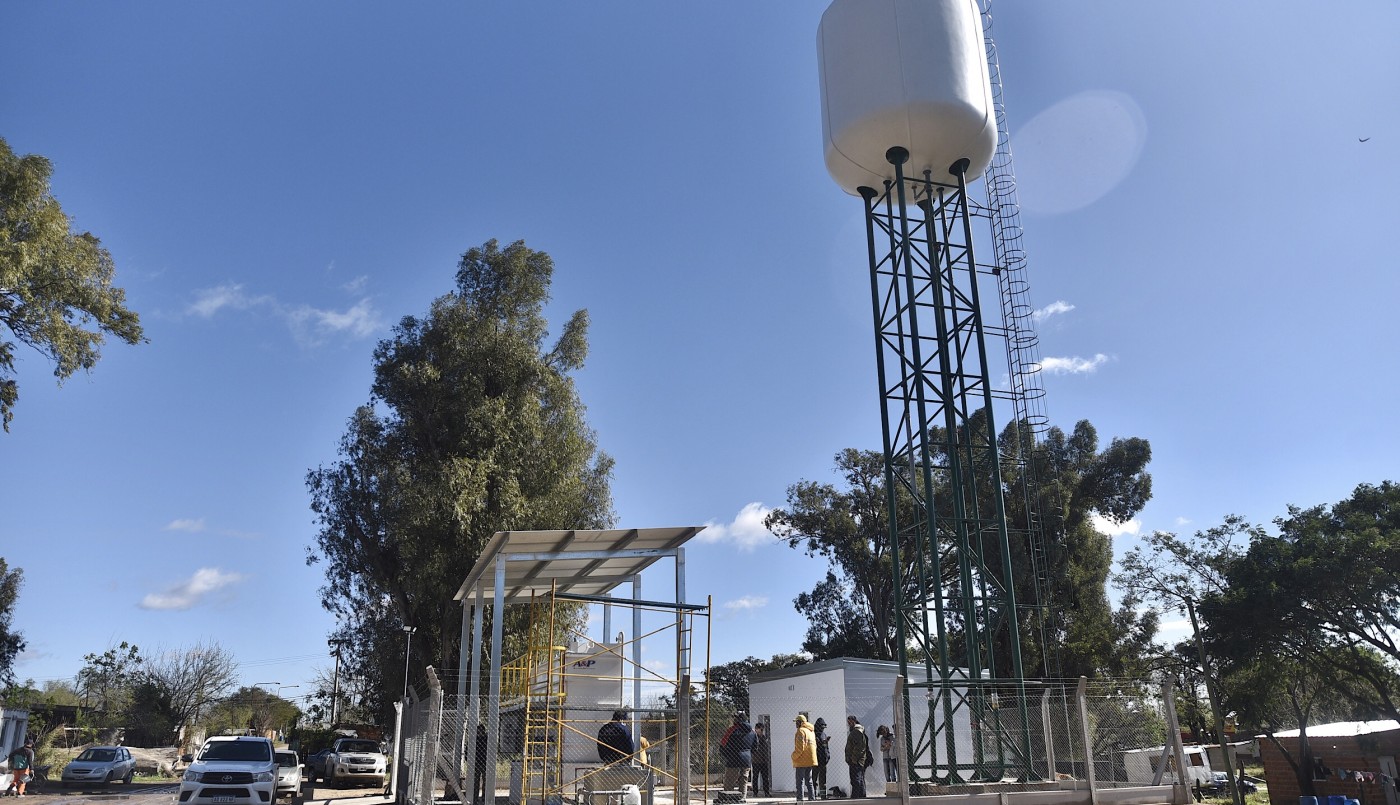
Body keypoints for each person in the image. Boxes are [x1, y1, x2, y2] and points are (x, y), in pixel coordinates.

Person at [719, 712, 756, 798]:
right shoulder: (752, 731)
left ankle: (728, 799)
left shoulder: (732, 730)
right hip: (746, 760)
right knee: (743, 781)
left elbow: (722, 745)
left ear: (738, 720)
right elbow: (755, 747)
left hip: (733, 759)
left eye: (735, 718)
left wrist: (727, 756)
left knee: (729, 781)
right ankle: (742, 799)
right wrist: (748, 755)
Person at [791, 715, 818, 803]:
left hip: (802, 760)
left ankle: (800, 800)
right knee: (809, 781)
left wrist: (793, 756)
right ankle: (812, 799)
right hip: (810, 760)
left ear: (801, 722)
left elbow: (800, 748)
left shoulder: (800, 731)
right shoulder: (811, 731)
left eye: (797, 722)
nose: (796, 724)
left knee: (800, 782)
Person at [844, 716, 870, 798]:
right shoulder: (856, 731)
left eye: (850, 722)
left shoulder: (856, 732)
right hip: (858, 760)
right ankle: (861, 796)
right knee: (859, 779)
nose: (849, 724)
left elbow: (859, 747)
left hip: (856, 760)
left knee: (856, 779)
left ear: (854, 721)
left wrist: (853, 759)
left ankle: (856, 797)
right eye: (848, 722)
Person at [752, 723, 772, 797]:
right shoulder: (754, 737)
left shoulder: (764, 737)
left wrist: (766, 758)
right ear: (756, 729)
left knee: (765, 777)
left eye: (762, 729)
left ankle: (766, 792)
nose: (761, 731)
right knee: (755, 777)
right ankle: (755, 792)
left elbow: (766, 749)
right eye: (760, 729)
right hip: (756, 760)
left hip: (764, 761)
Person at [470, 723, 488, 805]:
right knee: (476, 781)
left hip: (483, 762)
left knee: (485, 781)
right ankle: (475, 798)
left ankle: (483, 797)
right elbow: (468, 749)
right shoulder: (474, 739)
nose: (480, 732)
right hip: (477, 762)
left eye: (481, 730)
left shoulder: (485, 739)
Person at [813, 718, 831, 798]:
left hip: (823, 761)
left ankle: (823, 796)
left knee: (823, 781)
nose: (822, 728)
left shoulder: (824, 734)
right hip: (815, 761)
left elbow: (826, 748)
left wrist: (828, 756)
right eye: (821, 726)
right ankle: (813, 796)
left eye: (823, 727)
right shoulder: (813, 735)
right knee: (813, 780)